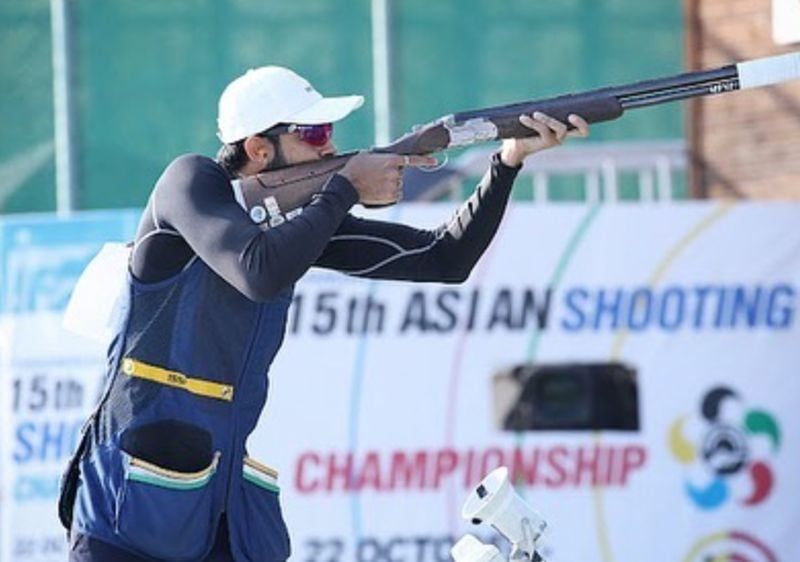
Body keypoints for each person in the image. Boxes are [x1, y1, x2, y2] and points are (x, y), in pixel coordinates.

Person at [59, 66, 589, 562]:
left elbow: (445, 259)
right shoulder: (189, 181)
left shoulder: (301, 221)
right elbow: (257, 270)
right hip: (124, 510)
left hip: (217, 506)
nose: (330, 146)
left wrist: (508, 161)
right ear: (258, 149)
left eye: (329, 131)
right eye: (313, 134)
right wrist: (344, 189)